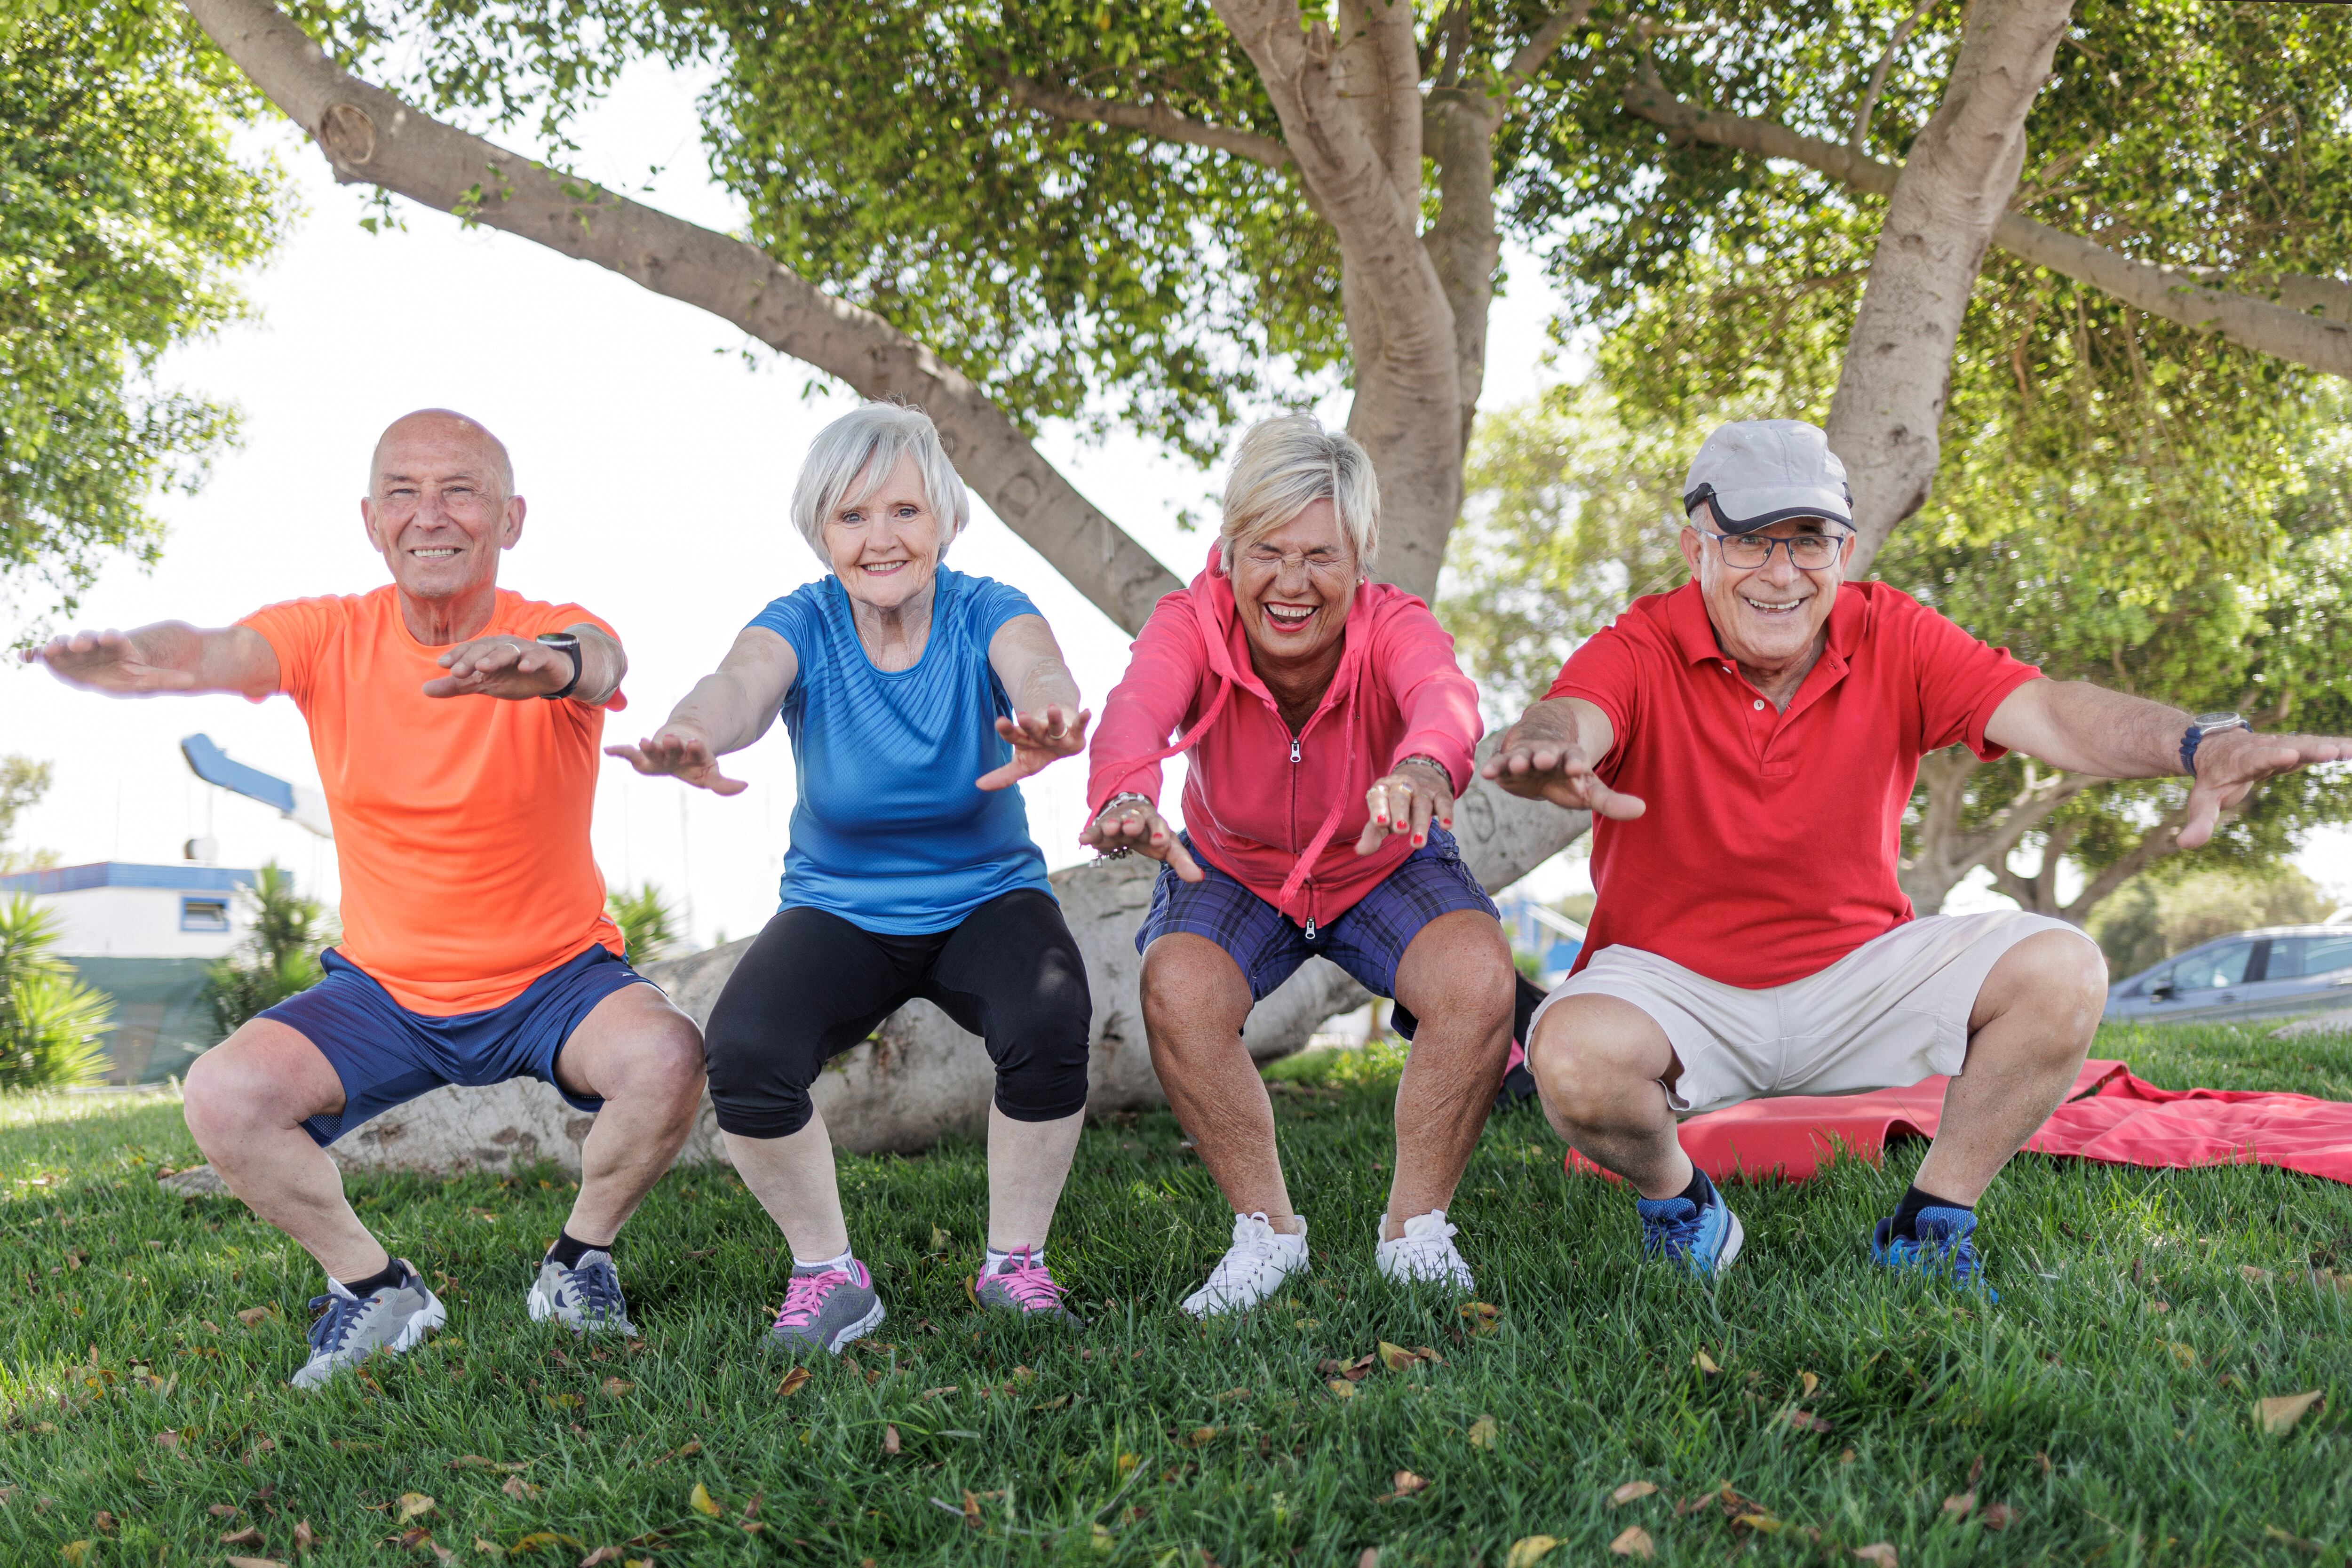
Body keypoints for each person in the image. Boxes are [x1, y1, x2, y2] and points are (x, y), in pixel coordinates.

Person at [1487, 419, 2352, 1287]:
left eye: (1810, 540)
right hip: (1676, 987)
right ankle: (1683, 1205)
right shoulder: (1641, 642)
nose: (1782, 571)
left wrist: (2196, 743)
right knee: (1569, 1054)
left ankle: (1932, 1222)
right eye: (1750, 541)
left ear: (1846, 547)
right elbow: (1576, 713)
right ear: (1696, 547)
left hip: (1861, 974)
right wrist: (1549, 744)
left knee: (2065, 967)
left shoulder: (1893, 632)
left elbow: (2050, 711)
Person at [28, 410, 707, 1386]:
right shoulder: (328, 635)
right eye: (404, 491)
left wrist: (548, 664)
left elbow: (599, 656)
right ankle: (374, 1284)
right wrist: (144, 656)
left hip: (556, 978)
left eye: (460, 489)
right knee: (224, 1092)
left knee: (668, 1050)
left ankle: (578, 1259)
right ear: (370, 519)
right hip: (384, 992)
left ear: (510, 518)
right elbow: (218, 649)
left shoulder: (545, 625)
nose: (430, 514)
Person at [608, 402, 1095, 1354]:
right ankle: (829, 1273)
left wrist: (1050, 714)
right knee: (745, 1052)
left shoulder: (985, 605)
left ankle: (1015, 1262)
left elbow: (1039, 666)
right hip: (841, 907)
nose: (880, 539)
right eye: (851, 516)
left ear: (945, 520)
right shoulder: (802, 620)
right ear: (820, 530)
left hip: (986, 892)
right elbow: (739, 683)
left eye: (904, 511)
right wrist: (692, 730)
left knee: (1048, 1014)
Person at [1084, 414, 1513, 1317]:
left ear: (1359, 557)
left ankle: (1417, 1231)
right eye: (1266, 551)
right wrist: (1124, 794)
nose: (1291, 582)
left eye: (1320, 555)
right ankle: (1266, 1235)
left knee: (1478, 973)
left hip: (1377, 857)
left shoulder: (1394, 622)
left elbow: (1442, 693)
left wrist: (1426, 763)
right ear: (1228, 548)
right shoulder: (1187, 622)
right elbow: (1137, 708)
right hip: (1234, 867)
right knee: (1178, 988)